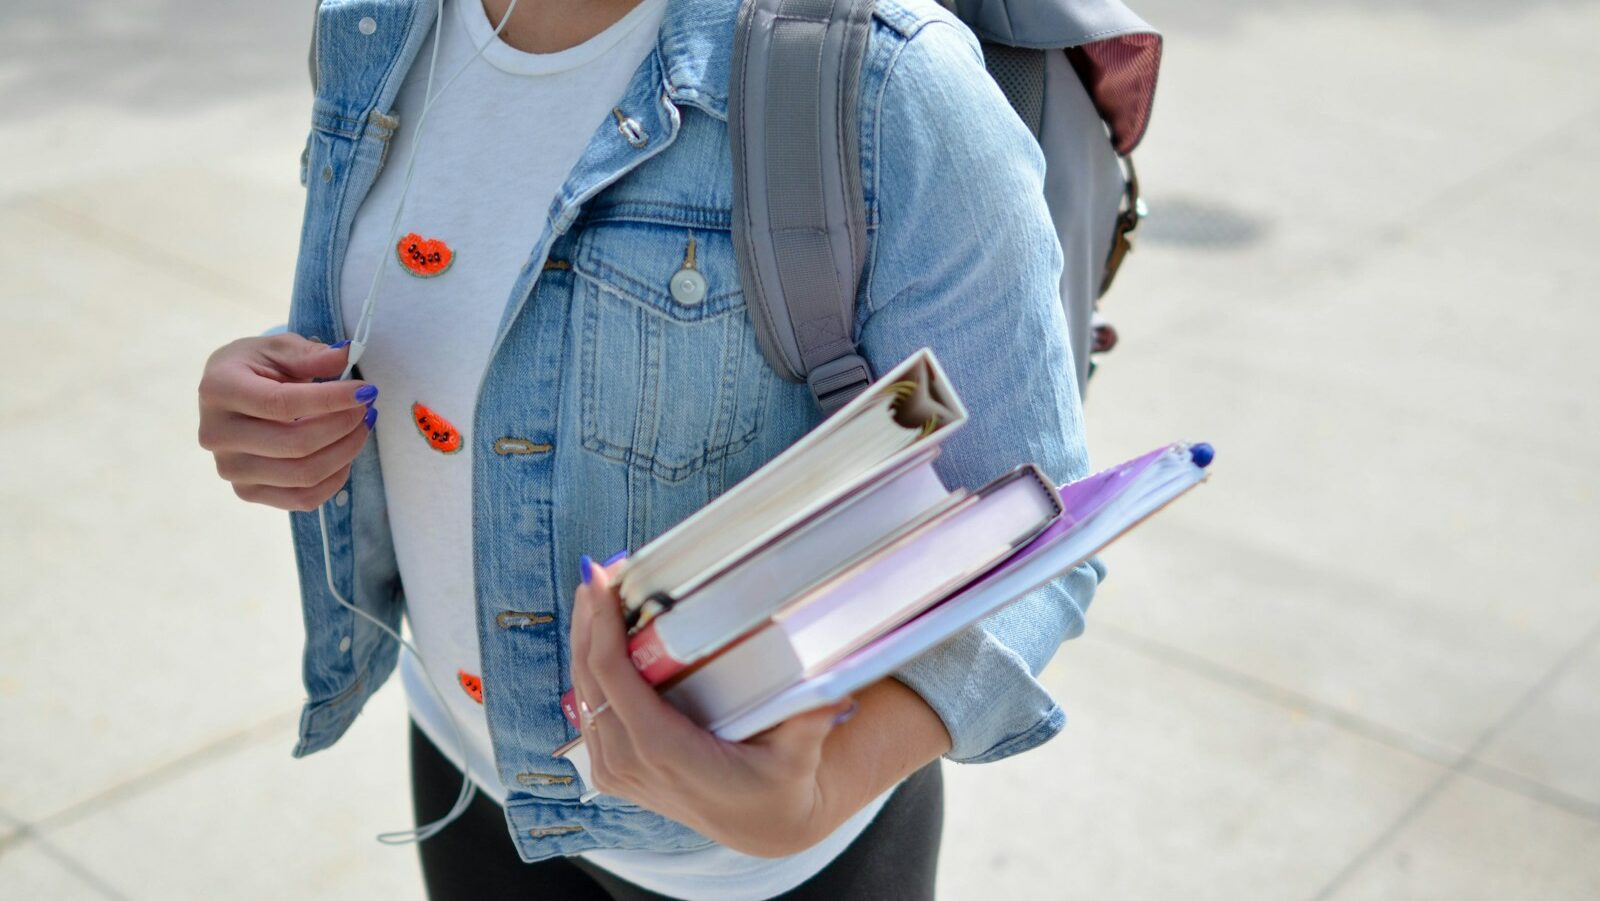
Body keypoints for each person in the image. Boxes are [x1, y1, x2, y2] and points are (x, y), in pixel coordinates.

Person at [196, 0, 1109, 897]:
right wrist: (279, 403)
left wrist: (818, 792)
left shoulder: (886, 80)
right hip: (465, 768)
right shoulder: (376, 20)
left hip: (757, 868)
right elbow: (443, 316)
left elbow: (1031, 525)